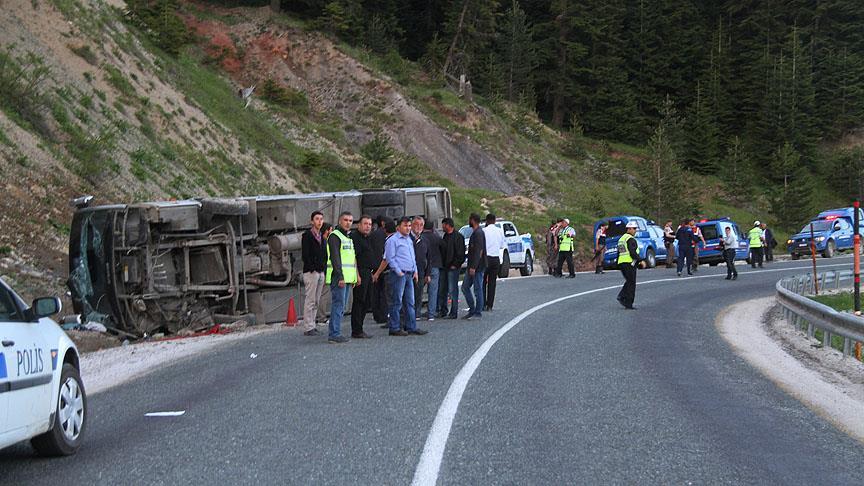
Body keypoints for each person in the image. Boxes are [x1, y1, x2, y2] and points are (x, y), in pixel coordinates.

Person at [384, 216, 428, 336]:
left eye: (409, 226)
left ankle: (411, 326)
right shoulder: (392, 240)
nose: (408, 228)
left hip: (410, 273)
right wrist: (398, 271)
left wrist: (415, 271)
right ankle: (394, 327)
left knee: (410, 302)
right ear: (398, 227)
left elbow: (412, 256)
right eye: (405, 226)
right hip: (399, 274)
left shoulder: (409, 240)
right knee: (397, 301)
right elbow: (390, 258)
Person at [325, 212, 358, 344]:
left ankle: (335, 332)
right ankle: (334, 334)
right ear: (340, 221)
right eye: (345, 220)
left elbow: (350, 259)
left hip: (347, 279)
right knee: (338, 306)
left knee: (341, 306)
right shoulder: (335, 236)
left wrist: (354, 277)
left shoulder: (347, 237)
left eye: (350, 220)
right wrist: (340, 276)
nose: (348, 222)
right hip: (339, 278)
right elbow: (335, 258)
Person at [301, 211, 327, 336]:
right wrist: (312, 268)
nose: (319, 221)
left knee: (316, 300)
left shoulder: (321, 236)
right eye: (317, 219)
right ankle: (308, 326)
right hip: (312, 272)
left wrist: (323, 269)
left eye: (321, 219)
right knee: (310, 299)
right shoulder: (307, 235)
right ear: (312, 221)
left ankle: (313, 324)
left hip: (320, 271)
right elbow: (305, 254)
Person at [349, 215, 375, 339]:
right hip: (360, 272)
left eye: (369, 224)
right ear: (359, 225)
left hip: (368, 273)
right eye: (365, 224)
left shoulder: (368, 238)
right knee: (359, 301)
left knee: (367, 301)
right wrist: (357, 275)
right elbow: (354, 257)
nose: (367, 226)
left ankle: (360, 327)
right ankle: (356, 330)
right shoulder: (355, 238)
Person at [372, 220, 397, 329]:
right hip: (402, 272)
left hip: (390, 272)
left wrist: (377, 273)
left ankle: (392, 321)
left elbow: (386, 259)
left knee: (389, 298)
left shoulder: (389, 241)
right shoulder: (401, 239)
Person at [438, 217, 465, 319]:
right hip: (445, 267)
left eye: (443, 225)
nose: (442, 227)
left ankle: (454, 311)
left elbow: (460, 253)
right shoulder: (445, 236)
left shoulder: (458, 237)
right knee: (443, 289)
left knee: (452, 290)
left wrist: (456, 264)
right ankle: (443, 310)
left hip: (453, 268)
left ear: (448, 225)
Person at [462, 213, 486, 319]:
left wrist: (474, 267)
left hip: (477, 267)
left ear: (472, 220)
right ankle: (472, 309)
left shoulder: (479, 233)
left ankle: (478, 312)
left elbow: (479, 251)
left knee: (477, 289)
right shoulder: (475, 233)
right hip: (471, 266)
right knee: (465, 287)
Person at [616, 221, 644, 309]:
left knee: (629, 281)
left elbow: (619, 252)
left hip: (622, 262)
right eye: (634, 229)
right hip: (630, 263)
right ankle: (627, 302)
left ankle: (622, 296)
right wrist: (640, 261)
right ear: (629, 229)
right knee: (632, 283)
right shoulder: (631, 239)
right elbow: (632, 252)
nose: (635, 231)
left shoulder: (622, 239)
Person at [482, 213, 506, 311]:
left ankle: (482, 303)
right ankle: (490, 305)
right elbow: (501, 245)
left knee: (482, 282)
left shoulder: (483, 231)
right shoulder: (499, 231)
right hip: (496, 258)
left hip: (486, 258)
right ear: (495, 221)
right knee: (492, 283)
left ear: (486, 221)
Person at [410, 216, 431, 321]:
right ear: (412, 225)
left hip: (421, 272)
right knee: (409, 295)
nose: (418, 227)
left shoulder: (425, 240)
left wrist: (428, 274)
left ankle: (417, 314)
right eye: (416, 224)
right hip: (409, 272)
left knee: (419, 294)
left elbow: (429, 257)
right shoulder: (407, 239)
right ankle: (408, 315)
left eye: (421, 225)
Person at [369, 215, 389, 324]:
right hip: (384, 266)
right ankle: (384, 314)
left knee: (376, 292)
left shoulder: (373, 235)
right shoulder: (387, 236)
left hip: (374, 266)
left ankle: (376, 314)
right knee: (385, 292)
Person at [423, 220, 443, 321]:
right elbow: (443, 248)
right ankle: (431, 313)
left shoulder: (421, 238)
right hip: (435, 265)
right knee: (433, 291)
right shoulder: (437, 238)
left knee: (417, 290)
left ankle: (416, 312)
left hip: (422, 267)